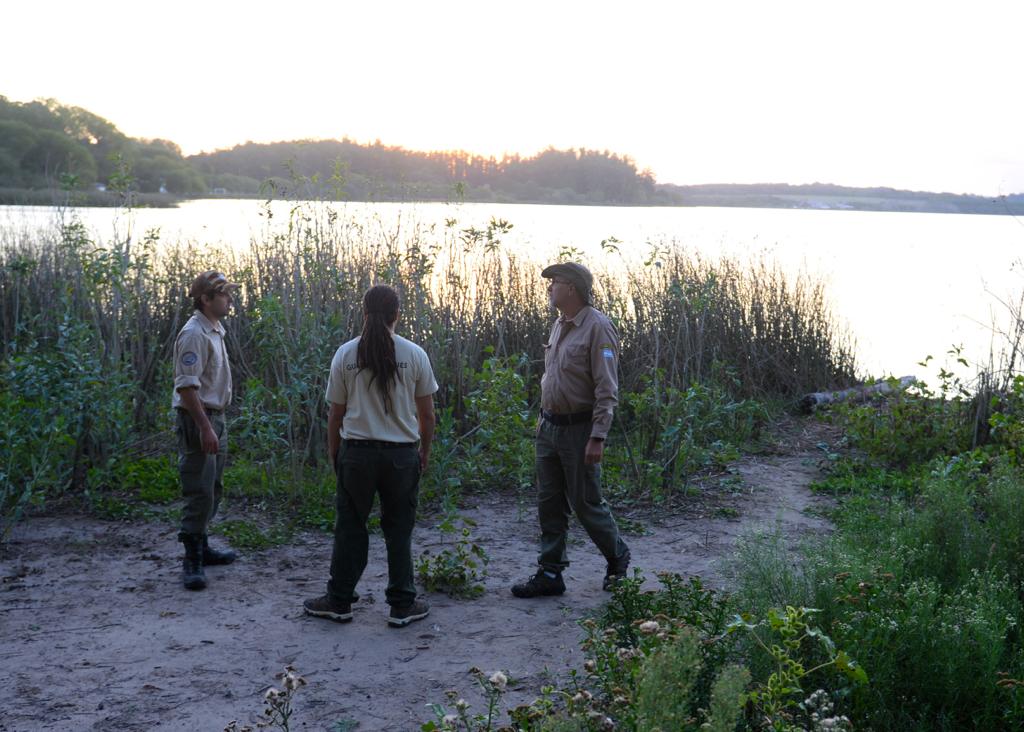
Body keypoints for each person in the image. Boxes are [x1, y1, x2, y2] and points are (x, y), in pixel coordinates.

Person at [304, 284, 437, 627]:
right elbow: (427, 416)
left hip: (357, 454)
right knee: (399, 529)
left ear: (364, 313)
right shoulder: (415, 355)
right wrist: (423, 451)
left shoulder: (346, 355)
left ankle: (339, 600)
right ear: (397, 314)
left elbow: (335, 414)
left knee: (350, 526)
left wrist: (336, 453)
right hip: (401, 456)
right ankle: (402, 604)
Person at [512, 262, 630, 598]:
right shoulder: (559, 325)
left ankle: (617, 557)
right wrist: (542, 421)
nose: (549, 288)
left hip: (580, 431)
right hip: (549, 427)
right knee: (549, 503)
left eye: (555, 283)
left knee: (586, 502)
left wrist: (598, 436)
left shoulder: (598, 328)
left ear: (573, 288)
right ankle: (550, 572)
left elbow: (607, 388)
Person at [172, 270, 241, 591]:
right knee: (198, 488)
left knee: (212, 486)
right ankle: (192, 560)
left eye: (229, 293)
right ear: (205, 299)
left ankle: (203, 546)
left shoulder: (214, 329)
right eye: (223, 294)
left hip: (215, 418)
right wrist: (204, 428)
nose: (229, 299)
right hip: (199, 418)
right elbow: (187, 388)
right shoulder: (194, 334)